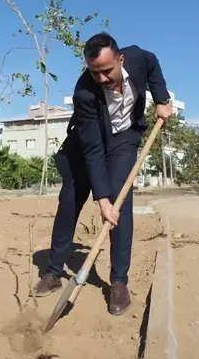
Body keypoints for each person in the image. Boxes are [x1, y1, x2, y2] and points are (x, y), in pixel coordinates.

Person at [33, 32, 172, 315]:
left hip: (123, 140)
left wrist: (161, 98)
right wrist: (102, 199)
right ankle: (53, 272)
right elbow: (93, 150)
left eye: (107, 71)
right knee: (70, 202)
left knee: (121, 206)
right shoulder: (84, 92)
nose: (102, 79)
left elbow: (154, 64)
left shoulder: (138, 58)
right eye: (95, 72)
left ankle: (119, 282)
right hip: (85, 146)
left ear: (120, 59)